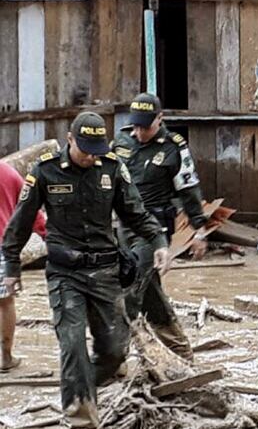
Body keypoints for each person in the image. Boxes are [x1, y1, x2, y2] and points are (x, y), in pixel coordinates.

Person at [1, 112, 169, 428]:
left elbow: (136, 213)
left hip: (106, 271)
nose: (91, 156)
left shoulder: (112, 169)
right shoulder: (45, 172)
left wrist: (159, 240)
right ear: (69, 139)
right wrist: (11, 266)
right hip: (66, 274)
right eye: (85, 149)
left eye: (97, 149)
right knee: (72, 343)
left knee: (115, 350)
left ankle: (84, 386)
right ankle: (81, 416)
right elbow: (20, 223)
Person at [112, 93, 207, 360]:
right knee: (149, 290)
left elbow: (189, 189)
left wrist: (199, 230)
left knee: (130, 289)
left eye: (147, 126)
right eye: (137, 126)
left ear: (160, 119)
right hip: (123, 228)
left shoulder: (174, 147)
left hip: (154, 231)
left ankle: (114, 360)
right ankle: (180, 350)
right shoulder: (120, 141)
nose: (140, 132)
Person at [0, 162, 47, 373]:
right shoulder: (8, 172)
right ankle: (5, 356)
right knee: (5, 302)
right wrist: (49, 235)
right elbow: (31, 208)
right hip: (3, 246)